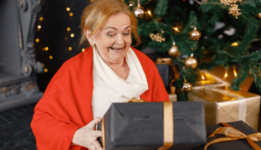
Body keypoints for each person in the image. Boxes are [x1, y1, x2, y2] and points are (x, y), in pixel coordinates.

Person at [30, 0, 169, 149]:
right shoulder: (72, 70)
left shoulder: (144, 65)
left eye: (126, 33)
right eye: (111, 34)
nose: (120, 41)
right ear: (90, 35)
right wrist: (75, 135)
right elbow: (42, 121)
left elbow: (164, 115)